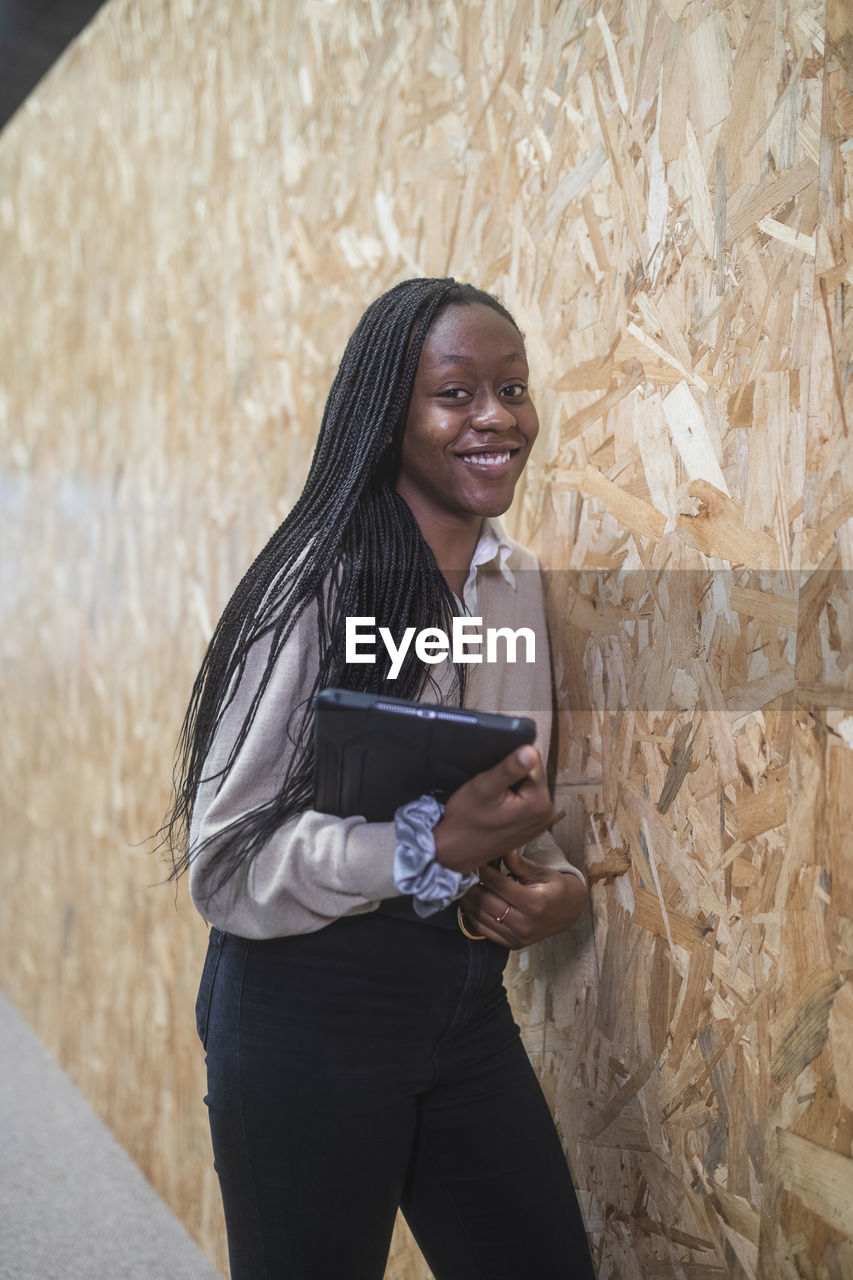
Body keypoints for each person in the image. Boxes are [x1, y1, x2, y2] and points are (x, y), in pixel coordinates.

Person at [165, 277, 596, 1279]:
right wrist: (424, 846)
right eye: (456, 393)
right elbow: (225, 863)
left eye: (513, 388)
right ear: (387, 413)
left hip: (458, 1000)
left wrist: (557, 887)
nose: (495, 416)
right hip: (305, 1004)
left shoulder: (512, 580)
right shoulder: (314, 584)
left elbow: (499, 798)